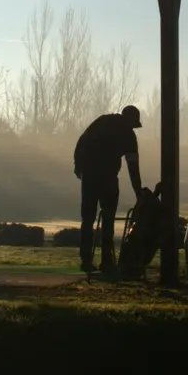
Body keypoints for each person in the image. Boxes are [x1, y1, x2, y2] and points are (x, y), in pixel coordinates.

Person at [73, 105, 146, 275]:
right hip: (107, 179)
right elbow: (133, 167)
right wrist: (138, 193)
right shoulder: (129, 136)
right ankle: (106, 261)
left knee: (88, 218)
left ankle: (87, 260)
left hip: (90, 176)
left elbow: (82, 141)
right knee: (107, 219)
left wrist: (78, 165)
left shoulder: (103, 122)